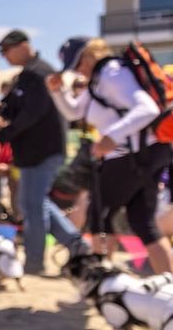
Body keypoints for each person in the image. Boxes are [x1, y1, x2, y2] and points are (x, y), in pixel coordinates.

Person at [47, 36, 173, 273]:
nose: (78, 71)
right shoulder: (98, 80)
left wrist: (112, 136)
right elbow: (74, 112)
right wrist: (57, 91)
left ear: (89, 56)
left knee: (100, 215)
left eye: (78, 64)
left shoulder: (111, 73)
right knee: (143, 223)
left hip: (132, 157)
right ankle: (168, 286)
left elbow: (147, 109)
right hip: (147, 154)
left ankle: (103, 280)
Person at [0, 29, 87, 274]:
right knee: (34, 203)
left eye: (6, 50)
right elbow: (16, 109)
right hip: (35, 151)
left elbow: (33, 113)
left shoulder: (39, 72)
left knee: (32, 205)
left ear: (23, 45)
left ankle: (34, 262)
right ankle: (77, 246)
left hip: (43, 150)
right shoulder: (28, 74)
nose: (4, 56)